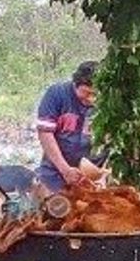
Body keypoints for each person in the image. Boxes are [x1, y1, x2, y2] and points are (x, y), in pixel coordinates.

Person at [34, 61, 100, 191]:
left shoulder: (111, 101)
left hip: (93, 173)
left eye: (96, 94)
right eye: (87, 93)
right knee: (56, 207)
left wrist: (103, 174)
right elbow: (45, 134)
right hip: (56, 171)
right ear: (75, 84)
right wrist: (65, 170)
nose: (92, 99)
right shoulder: (57, 94)